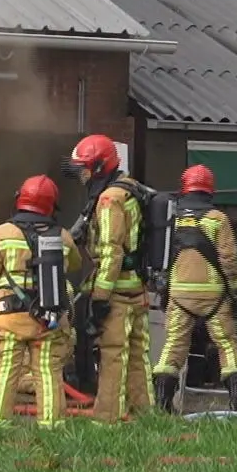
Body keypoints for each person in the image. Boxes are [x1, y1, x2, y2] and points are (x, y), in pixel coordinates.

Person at [0, 175, 83, 428]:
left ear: (20, 200)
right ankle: (52, 426)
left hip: (9, 319)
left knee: (6, 370)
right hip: (48, 319)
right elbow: (75, 264)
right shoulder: (61, 236)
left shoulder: (0, 234)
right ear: (52, 205)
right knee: (49, 373)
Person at [64, 133, 154, 423]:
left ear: (99, 167)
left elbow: (112, 253)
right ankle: (145, 415)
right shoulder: (131, 188)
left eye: (84, 169)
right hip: (136, 287)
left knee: (113, 355)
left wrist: (100, 299)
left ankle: (107, 419)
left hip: (116, 291)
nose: (81, 176)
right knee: (138, 355)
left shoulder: (109, 200)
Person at [153, 164, 237, 413]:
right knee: (227, 343)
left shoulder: (171, 219)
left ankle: (163, 404)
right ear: (210, 190)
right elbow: (228, 261)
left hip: (179, 295)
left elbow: (162, 256)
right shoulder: (218, 220)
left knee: (174, 343)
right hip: (213, 296)